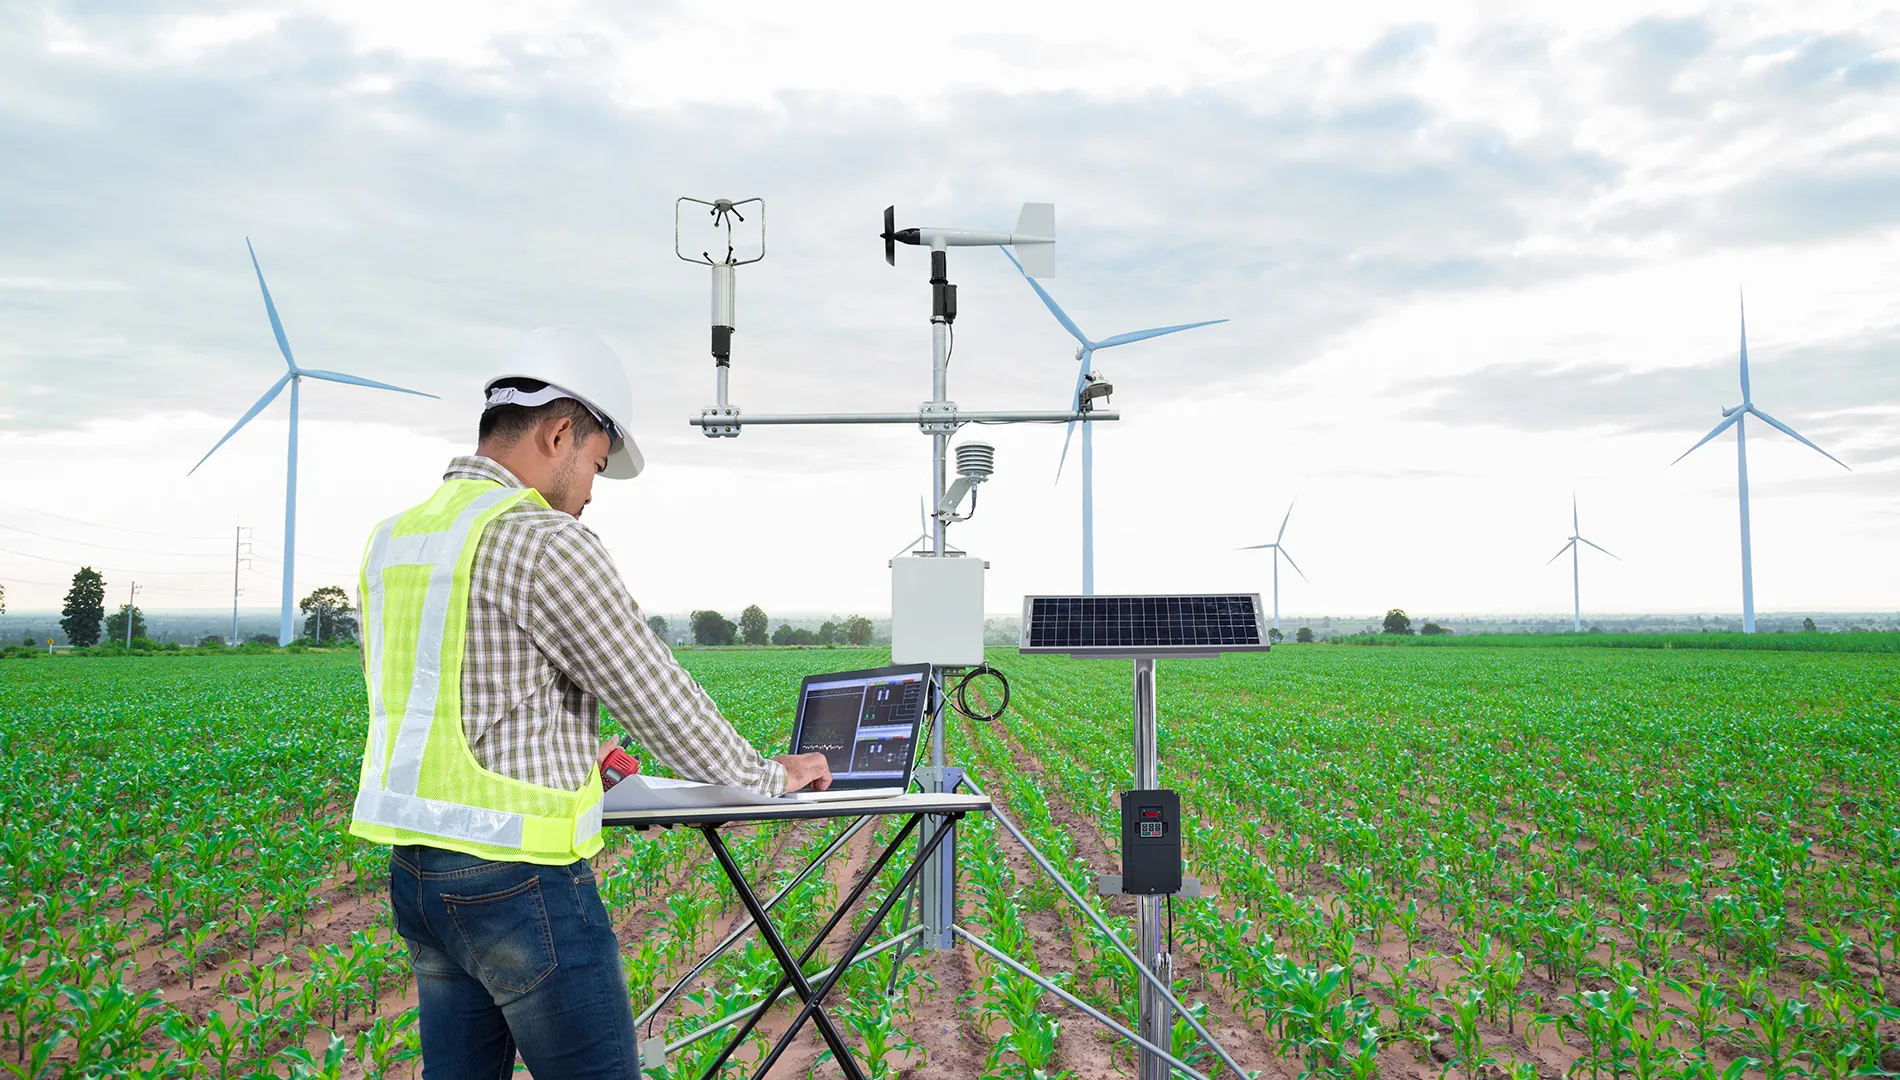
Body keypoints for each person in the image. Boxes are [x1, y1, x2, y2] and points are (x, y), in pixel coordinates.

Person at [348, 326, 832, 1078]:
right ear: (560, 432)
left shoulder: (397, 538)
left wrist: (583, 753)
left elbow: (441, 693)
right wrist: (772, 775)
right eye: (597, 466)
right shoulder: (541, 539)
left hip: (418, 875)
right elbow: (659, 699)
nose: (591, 492)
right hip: (518, 880)